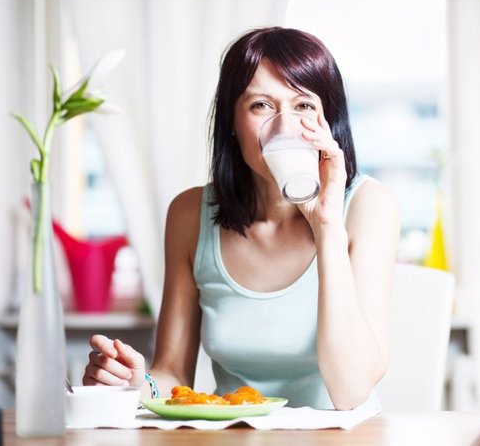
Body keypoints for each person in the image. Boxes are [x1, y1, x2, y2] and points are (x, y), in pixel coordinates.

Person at [83, 27, 400, 410]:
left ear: (328, 122)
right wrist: (137, 383)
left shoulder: (368, 206)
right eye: (261, 106)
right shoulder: (189, 215)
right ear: (232, 122)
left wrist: (326, 224)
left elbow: (351, 391)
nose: (284, 127)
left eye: (303, 106)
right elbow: (172, 375)